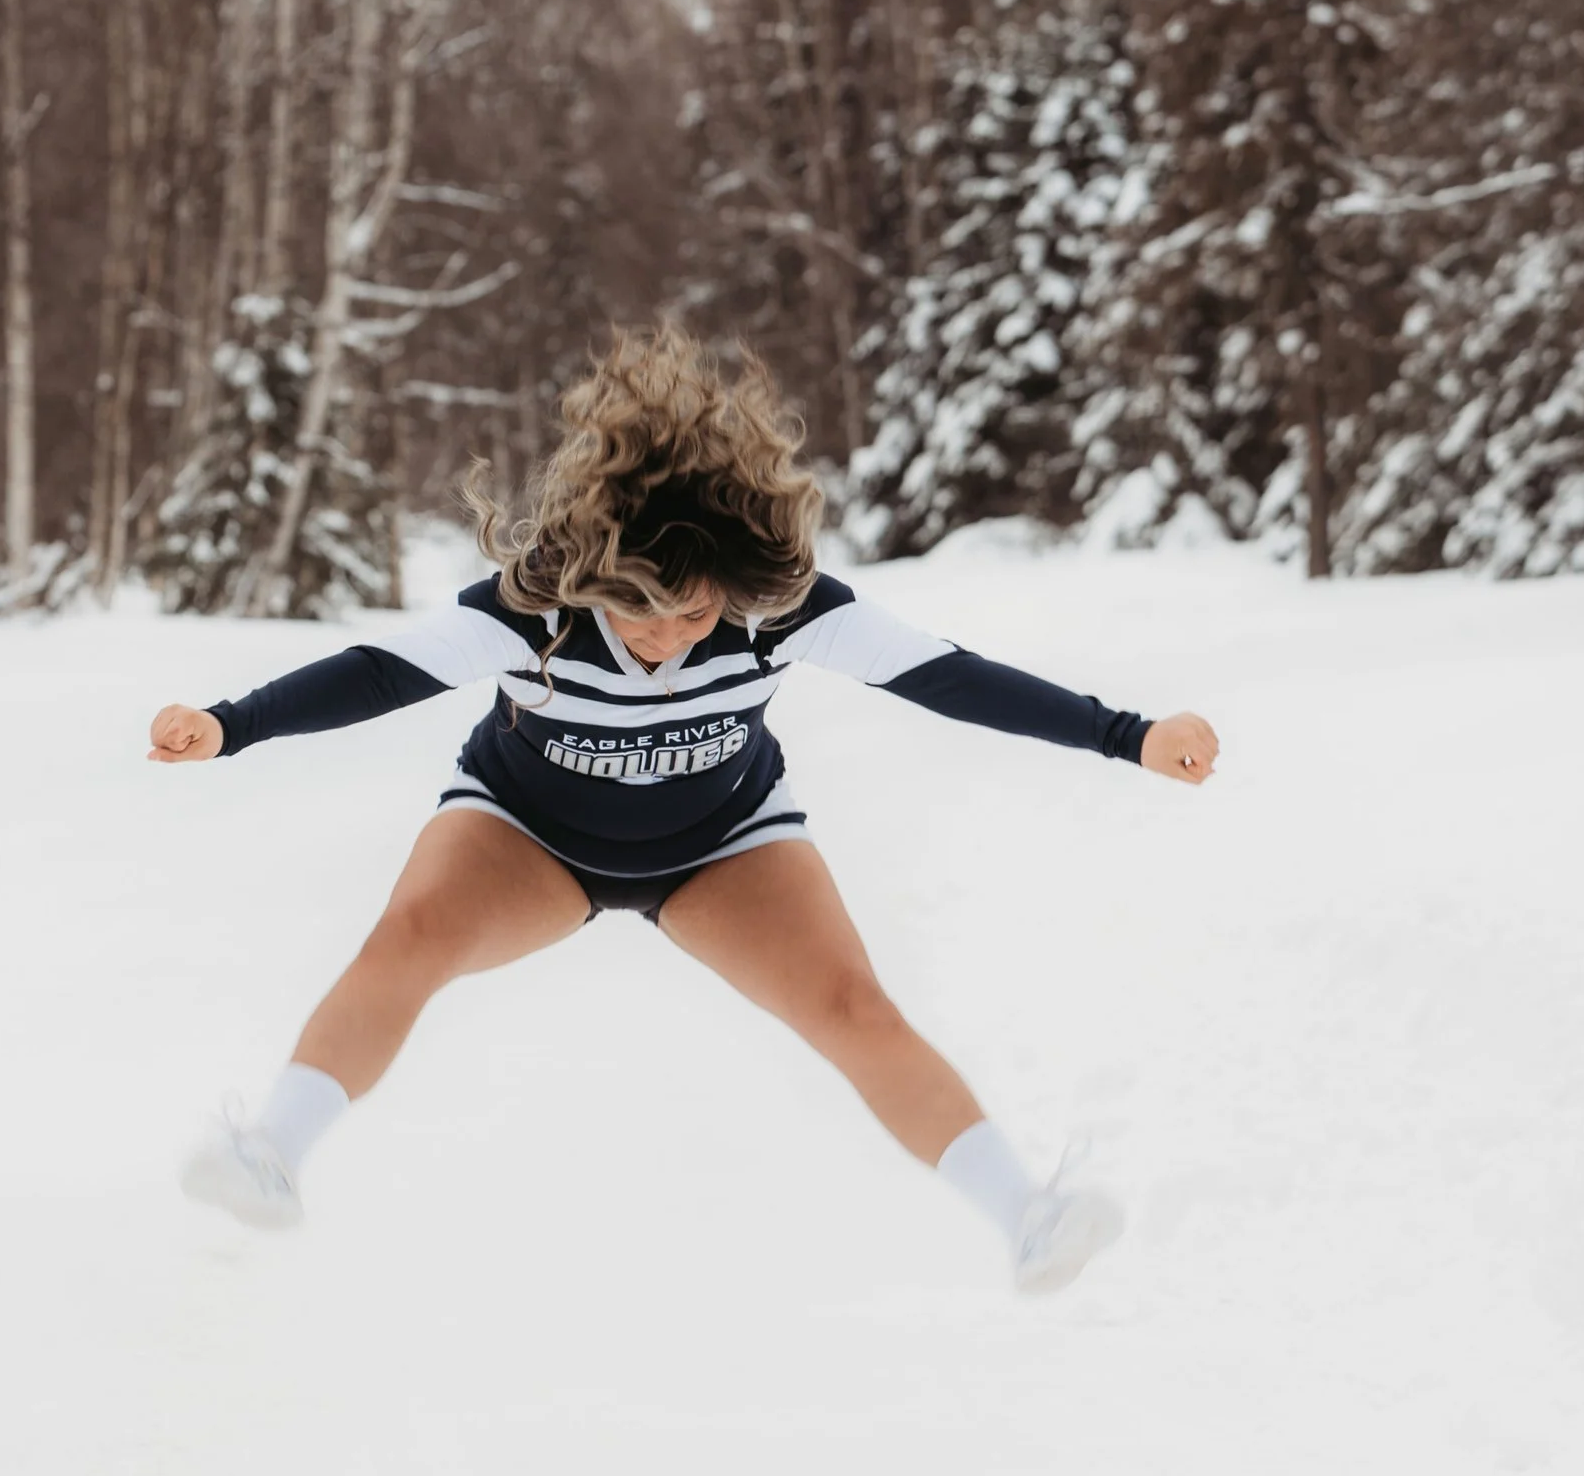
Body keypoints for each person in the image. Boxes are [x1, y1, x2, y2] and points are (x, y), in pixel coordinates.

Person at [149, 328, 1220, 1294]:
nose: (663, 636)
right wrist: (228, 722)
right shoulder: (534, 611)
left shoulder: (778, 612)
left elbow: (944, 676)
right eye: (637, 612)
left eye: (691, 611)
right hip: (526, 832)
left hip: (723, 842)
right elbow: (379, 672)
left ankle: (1027, 1212)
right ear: (594, 575)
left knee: (852, 1006)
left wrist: (1127, 733)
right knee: (411, 935)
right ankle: (272, 1151)